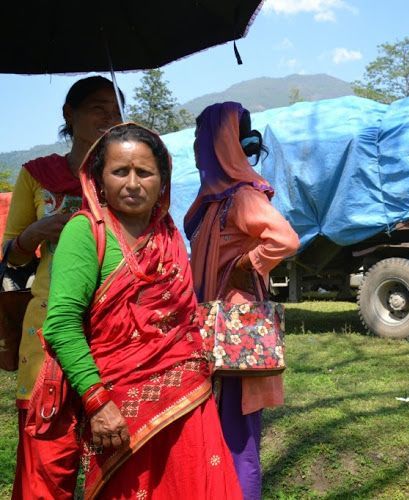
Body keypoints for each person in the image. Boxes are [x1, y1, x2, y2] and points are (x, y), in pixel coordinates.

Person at [41, 123, 242, 498]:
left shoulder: (167, 233)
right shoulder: (84, 232)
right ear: (99, 178)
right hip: (115, 410)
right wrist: (97, 402)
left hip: (189, 403)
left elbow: (183, 318)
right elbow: (62, 325)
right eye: (120, 171)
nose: (132, 183)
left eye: (144, 172)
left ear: (162, 180)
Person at [2, 75, 123, 498]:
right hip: (49, 336)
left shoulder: (124, 178)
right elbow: (12, 256)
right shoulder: (38, 176)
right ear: (69, 115)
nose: (110, 118)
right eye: (98, 108)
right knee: (45, 472)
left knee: (118, 470)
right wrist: (35, 232)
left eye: (116, 109)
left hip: (115, 335)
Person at [184, 102, 300, 500]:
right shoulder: (213, 199)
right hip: (207, 325)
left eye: (203, 136)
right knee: (212, 432)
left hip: (236, 332)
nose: (197, 144)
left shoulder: (243, 197)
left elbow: (284, 239)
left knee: (238, 440)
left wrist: (247, 262)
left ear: (221, 143)